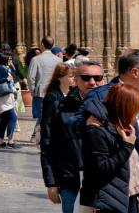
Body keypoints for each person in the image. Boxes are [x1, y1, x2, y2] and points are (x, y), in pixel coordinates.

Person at [41, 60, 96, 213]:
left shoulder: (108, 105)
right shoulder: (59, 103)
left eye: (97, 78)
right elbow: (48, 142)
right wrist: (51, 182)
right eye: (85, 77)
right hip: (69, 175)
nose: (92, 82)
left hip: (96, 176)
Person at [80, 83, 139, 213]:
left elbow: (132, 164)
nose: (137, 114)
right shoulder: (97, 130)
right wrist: (127, 146)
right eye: (136, 109)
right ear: (126, 108)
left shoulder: (121, 127)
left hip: (126, 195)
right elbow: (102, 168)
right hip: (106, 199)